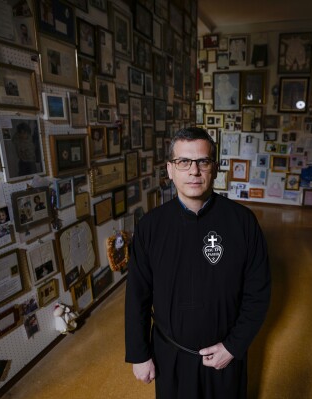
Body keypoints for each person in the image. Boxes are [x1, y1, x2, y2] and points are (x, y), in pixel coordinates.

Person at [125, 127, 271, 398]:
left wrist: (233, 347)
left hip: (226, 355)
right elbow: (137, 297)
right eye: (183, 162)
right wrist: (139, 354)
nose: (194, 171)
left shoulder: (243, 223)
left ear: (214, 168)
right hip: (170, 356)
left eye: (202, 161)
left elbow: (258, 293)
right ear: (170, 170)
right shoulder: (150, 227)